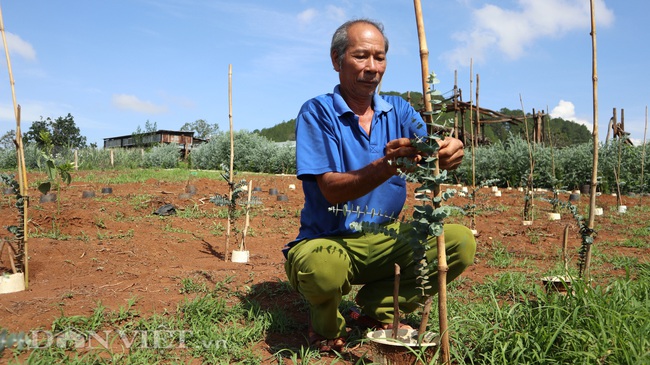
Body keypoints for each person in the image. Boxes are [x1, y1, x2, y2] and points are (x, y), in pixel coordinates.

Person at [283, 19, 476, 353]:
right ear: (336, 60)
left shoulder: (399, 110)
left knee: (459, 242)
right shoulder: (317, 113)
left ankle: (379, 308)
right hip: (328, 241)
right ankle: (326, 322)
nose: (373, 67)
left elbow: (431, 146)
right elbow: (331, 189)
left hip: (386, 240)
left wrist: (448, 151)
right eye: (361, 56)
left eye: (380, 57)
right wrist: (387, 165)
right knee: (323, 268)